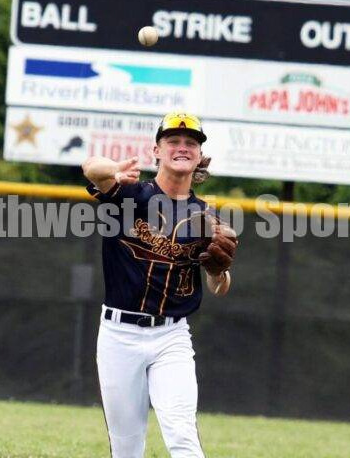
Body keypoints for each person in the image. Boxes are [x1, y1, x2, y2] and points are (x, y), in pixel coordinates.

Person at [82, 112, 238, 458]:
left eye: (191, 143)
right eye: (173, 141)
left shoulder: (206, 218)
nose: (182, 147)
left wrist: (217, 271)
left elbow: (219, 285)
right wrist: (113, 171)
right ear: (157, 150)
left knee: (182, 434)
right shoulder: (129, 195)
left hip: (171, 337)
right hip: (118, 334)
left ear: (199, 156)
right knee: (126, 446)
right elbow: (91, 167)